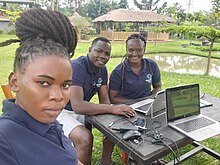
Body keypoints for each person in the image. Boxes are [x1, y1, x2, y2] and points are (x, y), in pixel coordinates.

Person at [0, 8, 81, 165]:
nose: (58, 96)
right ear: (14, 82)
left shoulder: (46, 122)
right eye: (44, 83)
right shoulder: (4, 144)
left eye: (65, 85)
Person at [57, 37, 136, 165]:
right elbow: (78, 105)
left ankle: (105, 162)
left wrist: (112, 114)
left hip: (80, 112)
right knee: (85, 139)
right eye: (98, 51)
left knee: (113, 127)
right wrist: (112, 108)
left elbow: (104, 100)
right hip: (62, 111)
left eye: (107, 54)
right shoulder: (77, 67)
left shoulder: (102, 70)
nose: (102, 56)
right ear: (89, 50)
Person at [109, 33, 162, 104]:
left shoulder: (151, 65)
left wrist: (151, 99)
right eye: (131, 50)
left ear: (144, 50)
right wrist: (136, 103)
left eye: (139, 50)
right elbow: (113, 98)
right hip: (127, 107)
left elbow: (157, 87)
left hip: (147, 105)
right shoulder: (118, 71)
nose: (134, 54)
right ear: (126, 50)